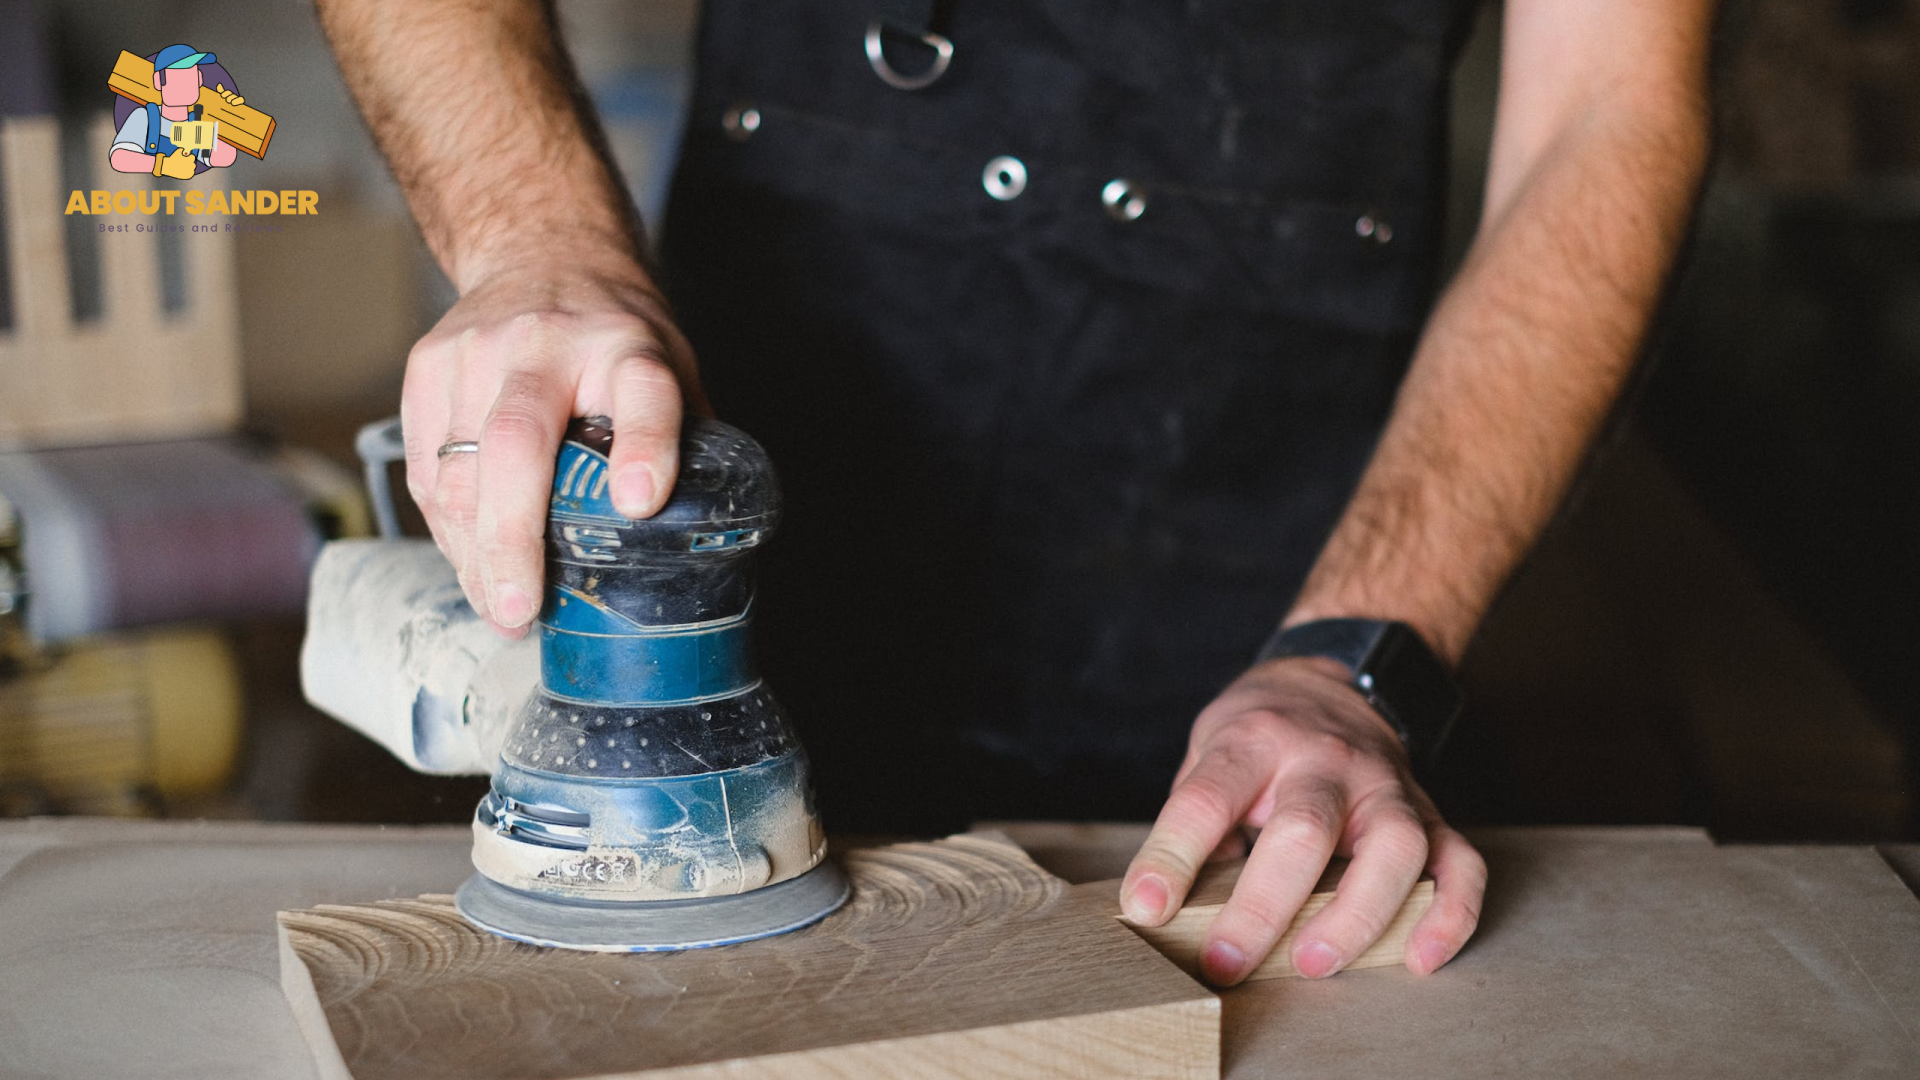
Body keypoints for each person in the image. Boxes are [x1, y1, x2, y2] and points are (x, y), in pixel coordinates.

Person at [315, 0, 1714, 985]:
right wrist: (543, 246)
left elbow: (1613, 106)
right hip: (777, 589)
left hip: (1268, 654)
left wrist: (1356, 654)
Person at [109, 44, 244, 179]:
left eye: (191, 76)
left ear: (199, 79)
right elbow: (118, 158)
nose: (187, 84)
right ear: (158, 81)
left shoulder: (197, 123)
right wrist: (163, 165)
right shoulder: (145, 117)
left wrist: (228, 115)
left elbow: (225, 158)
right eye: (178, 77)